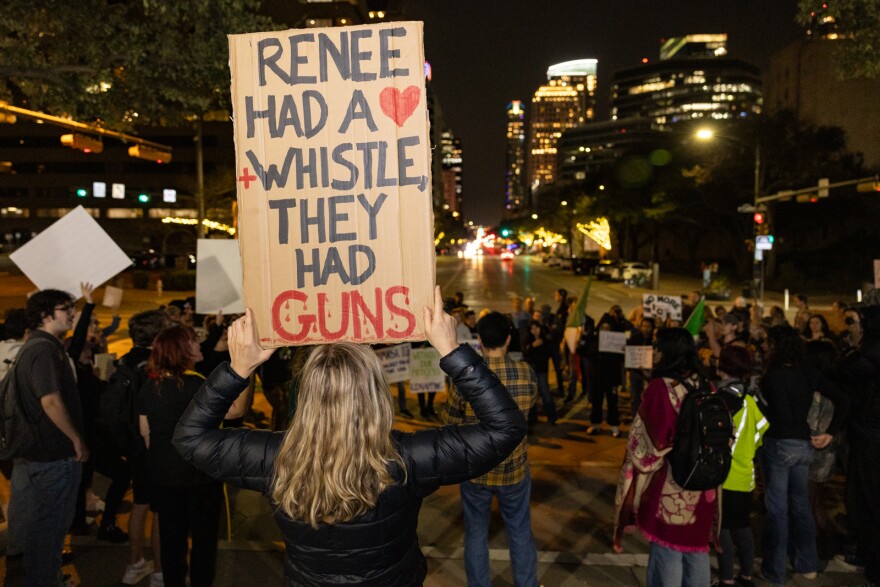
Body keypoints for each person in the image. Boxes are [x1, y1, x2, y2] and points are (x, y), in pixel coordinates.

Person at [172, 288, 527, 585]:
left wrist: (239, 368)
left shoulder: (275, 459)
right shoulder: (407, 461)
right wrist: (452, 351)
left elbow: (189, 438)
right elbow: (506, 428)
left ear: (307, 394)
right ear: (375, 392)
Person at [138, 326, 248, 587]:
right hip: (201, 475)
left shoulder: (149, 386)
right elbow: (235, 411)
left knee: (171, 540)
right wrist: (245, 370)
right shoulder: (198, 384)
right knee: (203, 541)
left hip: (164, 476)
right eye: (193, 341)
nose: (199, 344)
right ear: (182, 351)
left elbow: (146, 435)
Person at [613, 328, 719, 587]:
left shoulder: (662, 388)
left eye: (658, 347)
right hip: (705, 481)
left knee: (668, 549)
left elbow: (646, 447)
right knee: (697, 548)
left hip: (673, 482)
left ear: (667, 352)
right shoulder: (708, 384)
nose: (655, 351)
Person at [445, 312, 538, 586]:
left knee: (475, 534)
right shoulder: (526, 373)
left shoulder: (465, 377)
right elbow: (528, 413)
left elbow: (450, 422)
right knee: (520, 531)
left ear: (479, 339)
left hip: (476, 469)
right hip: (514, 468)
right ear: (509, 339)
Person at [7, 288, 88, 587]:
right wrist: (76, 439)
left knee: (31, 529)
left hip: (34, 452)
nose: (72, 313)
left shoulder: (35, 346)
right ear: (44, 314)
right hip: (54, 455)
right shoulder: (44, 349)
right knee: (49, 532)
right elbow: (50, 400)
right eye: (65, 308)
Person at [759, 325, 848, 586]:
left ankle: (776, 570)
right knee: (801, 506)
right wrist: (830, 433)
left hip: (778, 443)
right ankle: (807, 564)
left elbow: (774, 414)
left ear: (776, 345)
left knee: (777, 509)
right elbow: (842, 399)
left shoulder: (772, 376)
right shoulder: (809, 373)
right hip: (804, 443)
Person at [114, 310, 167, 586]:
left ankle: (134, 563)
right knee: (159, 510)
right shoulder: (153, 365)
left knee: (139, 504)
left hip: (131, 444)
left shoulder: (123, 361)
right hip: (151, 445)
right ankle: (159, 571)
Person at [833, 296, 880, 586]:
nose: (855, 327)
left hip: (871, 436)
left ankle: (873, 562)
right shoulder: (868, 351)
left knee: (866, 500)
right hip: (867, 433)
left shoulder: (872, 353)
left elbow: (845, 371)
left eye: (859, 323)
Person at [713, 346, 769, 587]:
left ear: (721, 368)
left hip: (721, 477)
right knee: (742, 526)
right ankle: (746, 575)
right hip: (745, 475)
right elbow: (762, 431)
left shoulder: (717, 399)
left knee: (722, 530)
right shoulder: (750, 400)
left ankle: (726, 578)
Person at [523, 319, 558, 425]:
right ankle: (532, 418)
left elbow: (550, 352)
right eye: (532, 329)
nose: (535, 331)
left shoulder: (545, 339)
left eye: (536, 328)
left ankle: (552, 417)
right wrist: (533, 346)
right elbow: (525, 353)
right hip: (531, 370)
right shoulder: (527, 339)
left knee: (545, 393)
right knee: (532, 394)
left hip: (542, 370)